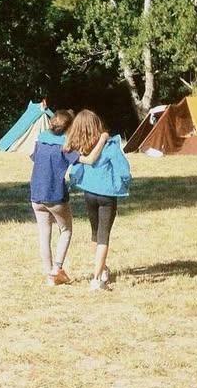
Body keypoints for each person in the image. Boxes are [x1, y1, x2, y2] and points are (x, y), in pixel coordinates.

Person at [65, 109, 132, 290]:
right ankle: (97, 279)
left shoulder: (79, 148)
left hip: (89, 194)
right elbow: (123, 169)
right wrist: (126, 183)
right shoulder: (109, 145)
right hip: (107, 195)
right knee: (103, 236)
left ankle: (103, 269)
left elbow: (76, 169)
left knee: (95, 234)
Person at [28, 108, 78, 286]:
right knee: (66, 230)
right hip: (55, 195)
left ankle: (49, 274)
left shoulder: (41, 139)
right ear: (69, 127)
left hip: (36, 195)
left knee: (44, 234)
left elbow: (34, 158)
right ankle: (57, 270)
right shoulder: (66, 144)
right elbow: (79, 160)